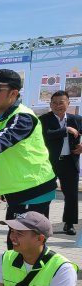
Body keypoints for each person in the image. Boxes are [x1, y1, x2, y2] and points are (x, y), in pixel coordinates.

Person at [0, 69, 57, 248]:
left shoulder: (22, 116)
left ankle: (35, 275)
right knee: (18, 244)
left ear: (14, 93)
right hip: (20, 192)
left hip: (33, 190)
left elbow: (5, 139)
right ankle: (18, 275)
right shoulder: (1, 118)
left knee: (24, 245)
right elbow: (0, 158)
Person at [39, 90, 82, 235]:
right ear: (50, 104)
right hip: (49, 163)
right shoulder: (44, 119)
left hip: (70, 162)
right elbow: (46, 135)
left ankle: (69, 224)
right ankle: (44, 225)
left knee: (71, 195)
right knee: (46, 194)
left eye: (61, 103)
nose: (58, 106)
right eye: (54, 103)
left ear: (68, 103)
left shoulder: (76, 119)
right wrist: (65, 130)